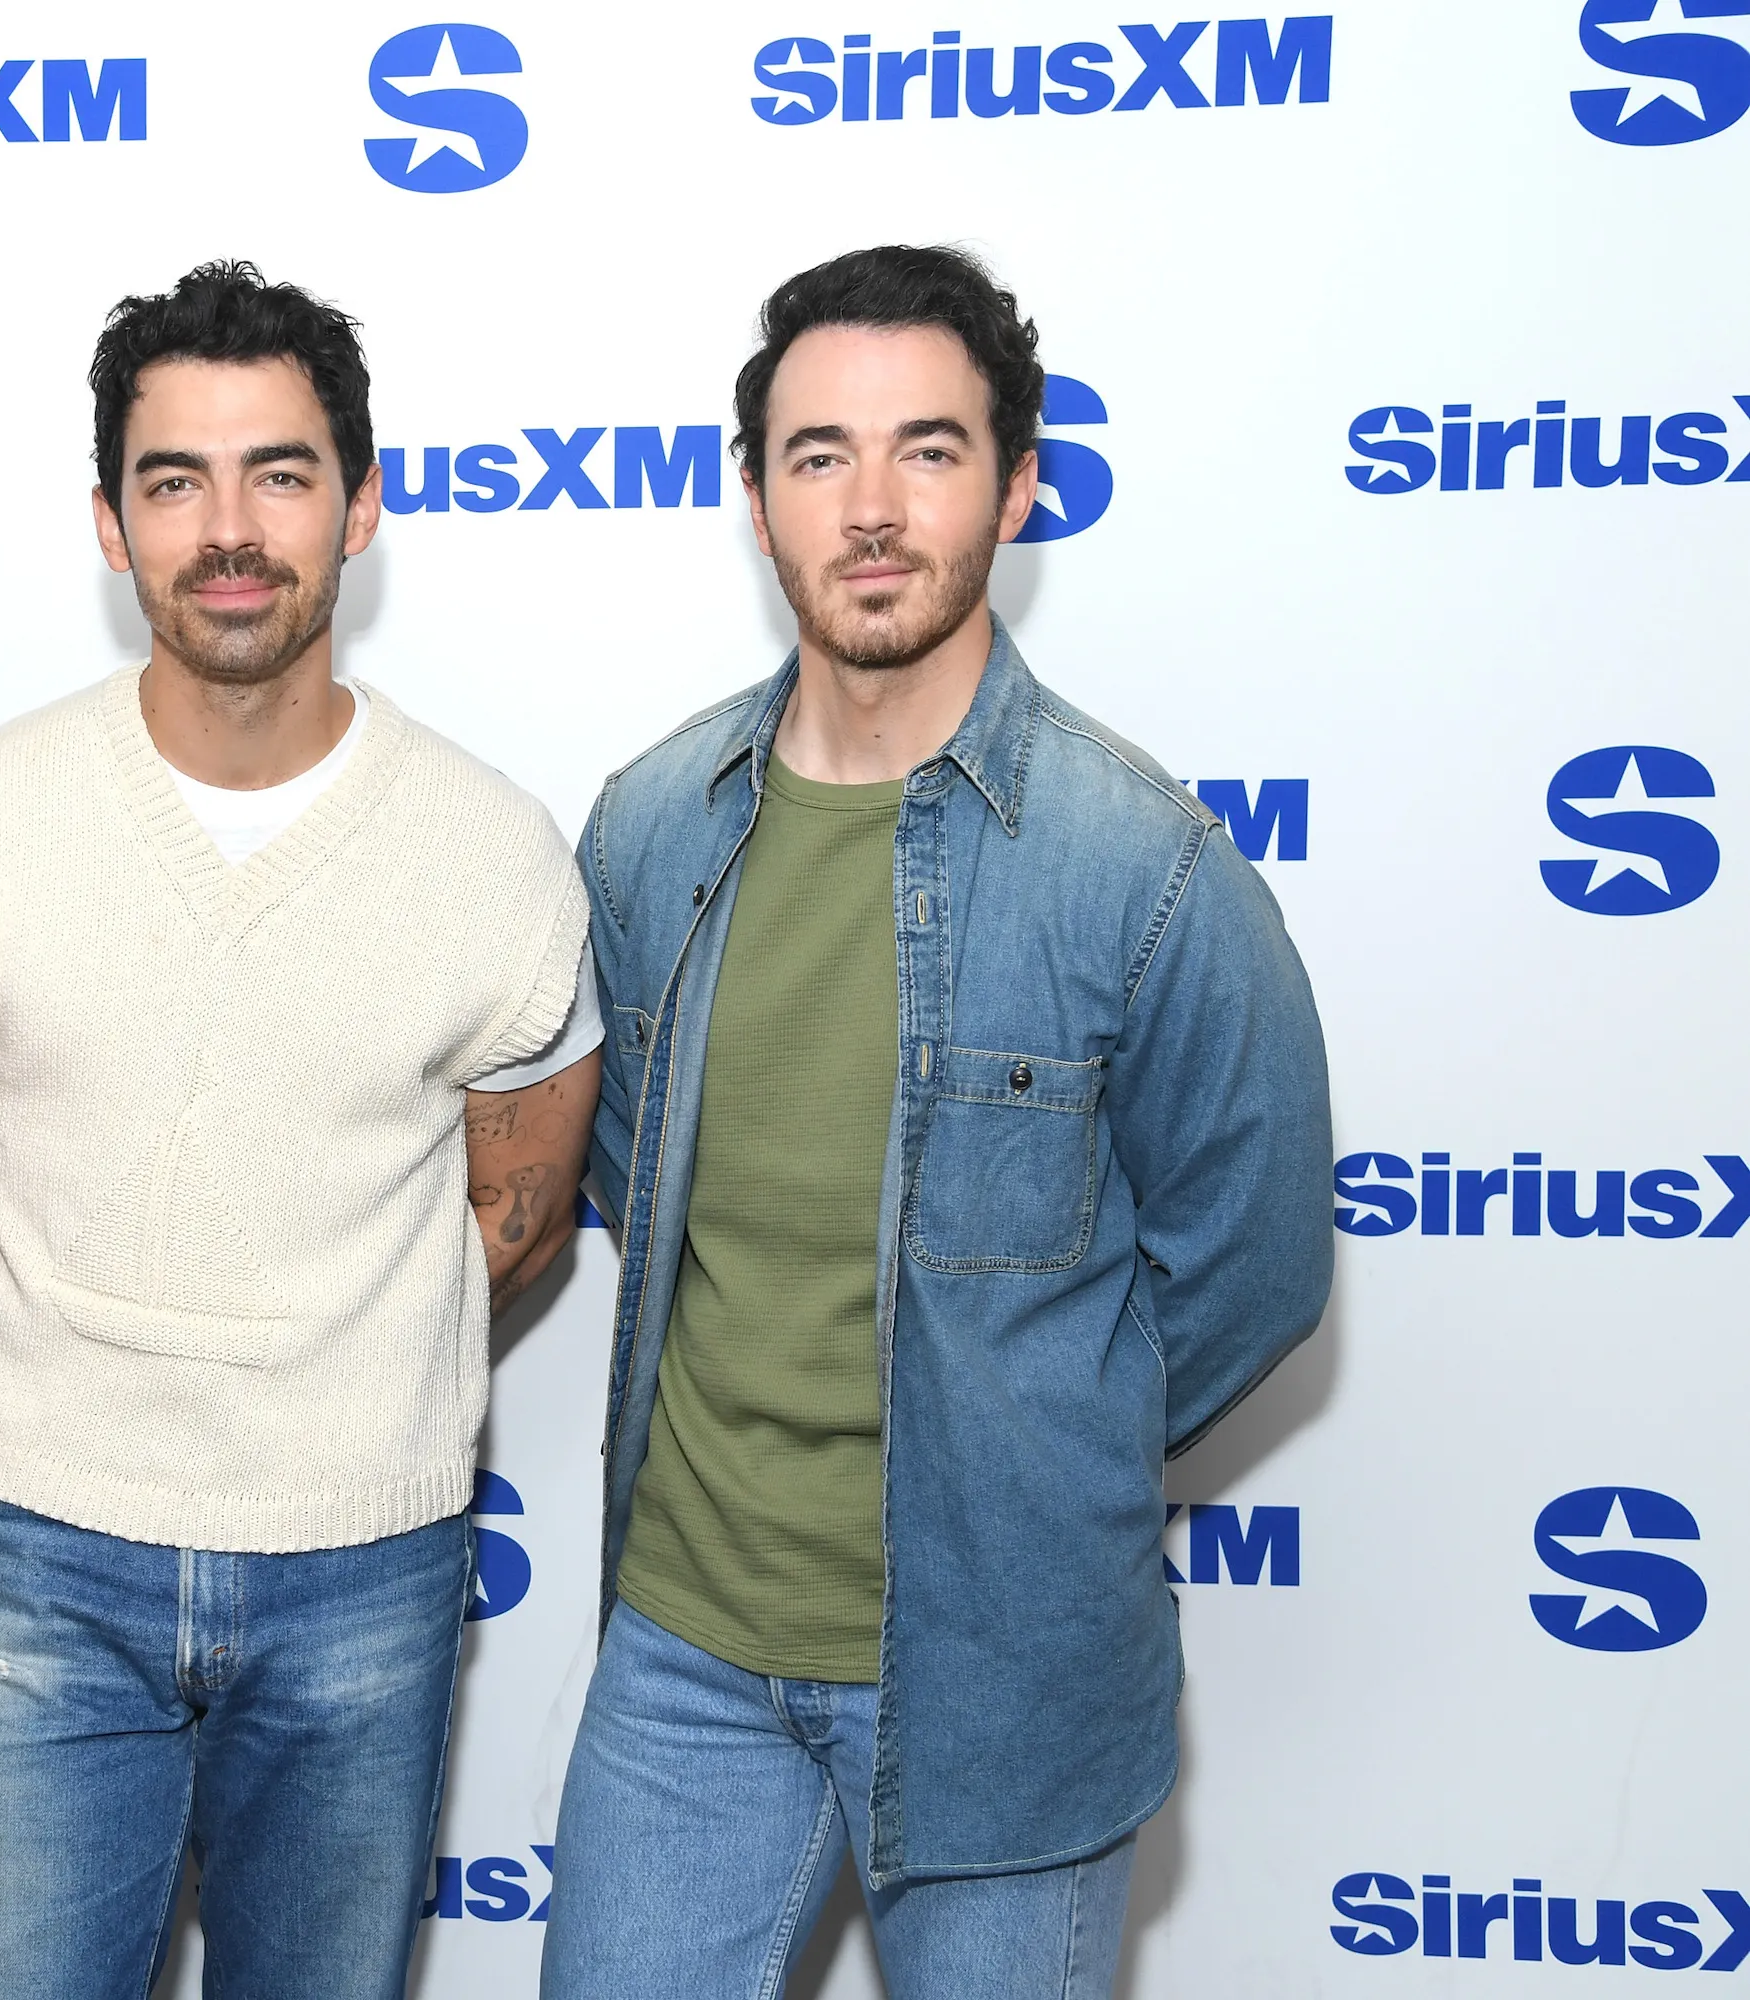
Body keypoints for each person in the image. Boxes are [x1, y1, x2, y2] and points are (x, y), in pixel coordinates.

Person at [540, 245, 1333, 1999]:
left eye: (930, 449)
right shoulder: (655, 828)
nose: (873, 506)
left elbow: (1254, 1261)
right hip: (682, 1658)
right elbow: (627, 1171)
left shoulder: (1143, 867)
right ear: (754, 500)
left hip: (1007, 1680)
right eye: (818, 454)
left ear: (1019, 483)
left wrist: (1041, 1437)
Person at [0, 260, 601, 2000]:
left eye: (277, 471)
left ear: (363, 502)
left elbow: (519, 1212)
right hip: (46, 1558)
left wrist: (317, 1392)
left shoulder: (495, 853)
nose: (229, 528)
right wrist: (95, 1379)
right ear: (110, 526)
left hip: (367, 1574)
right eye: (172, 480)